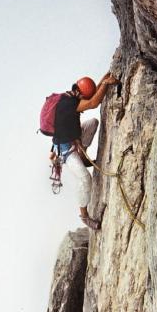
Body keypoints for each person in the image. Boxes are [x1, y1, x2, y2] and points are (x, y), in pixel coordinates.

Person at [50, 73, 119, 230]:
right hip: (66, 152)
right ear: (79, 92)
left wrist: (104, 79)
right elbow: (93, 102)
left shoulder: (69, 97)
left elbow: (90, 97)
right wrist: (106, 84)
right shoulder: (69, 104)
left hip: (72, 140)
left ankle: (82, 157)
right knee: (85, 178)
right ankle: (84, 216)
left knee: (92, 123)